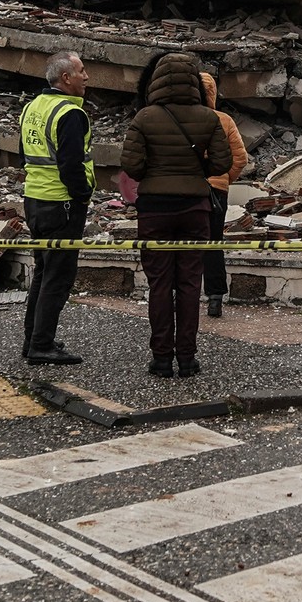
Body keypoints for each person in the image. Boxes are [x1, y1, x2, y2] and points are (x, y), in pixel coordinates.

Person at [118, 52, 231, 378]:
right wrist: (197, 171)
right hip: (195, 209)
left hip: (154, 210)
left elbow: (132, 166)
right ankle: (188, 358)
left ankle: (161, 358)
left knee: (160, 285)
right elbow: (222, 164)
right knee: (189, 284)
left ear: (157, 80)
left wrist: (157, 172)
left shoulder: (144, 117)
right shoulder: (209, 118)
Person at [19, 52, 93, 366]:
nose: (86, 77)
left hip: (34, 199)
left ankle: (33, 339)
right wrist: (83, 196)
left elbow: (26, 153)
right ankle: (41, 345)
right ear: (66, 78)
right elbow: (71, 165)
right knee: (58, 277)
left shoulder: (32, 107)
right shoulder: (70, 114)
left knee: (43, 272)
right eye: (81, 71)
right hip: (61, 202)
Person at [199, 70, 248, 320]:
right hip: (216, 191)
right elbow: (240, 158)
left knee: (182, 243)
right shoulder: (224, 120)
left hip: (186, 188)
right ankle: (215, 298)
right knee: (213, 242)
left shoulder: (178, 119)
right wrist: (224, 178)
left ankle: (179, 294)